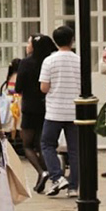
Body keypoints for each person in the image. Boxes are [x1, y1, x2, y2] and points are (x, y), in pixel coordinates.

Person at [39, 25, 80, 197]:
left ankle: (57, 176)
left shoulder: (49, 61)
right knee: (75, 150)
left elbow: (44, 87)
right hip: (74, 110)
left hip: (55, 110)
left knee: (47, 144)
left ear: (55, 41)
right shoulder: (79, 60)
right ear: (72, 40)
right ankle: (73, 187)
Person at [17, 35, 55, 190]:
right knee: (41, 144)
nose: (27, 45)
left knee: (26, 145)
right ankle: (49, 173)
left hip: (29, 107)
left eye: (29, 42)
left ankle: (42, 171)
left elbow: (18, 87)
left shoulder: (26, 63)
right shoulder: (48, 61)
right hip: (46, 107)